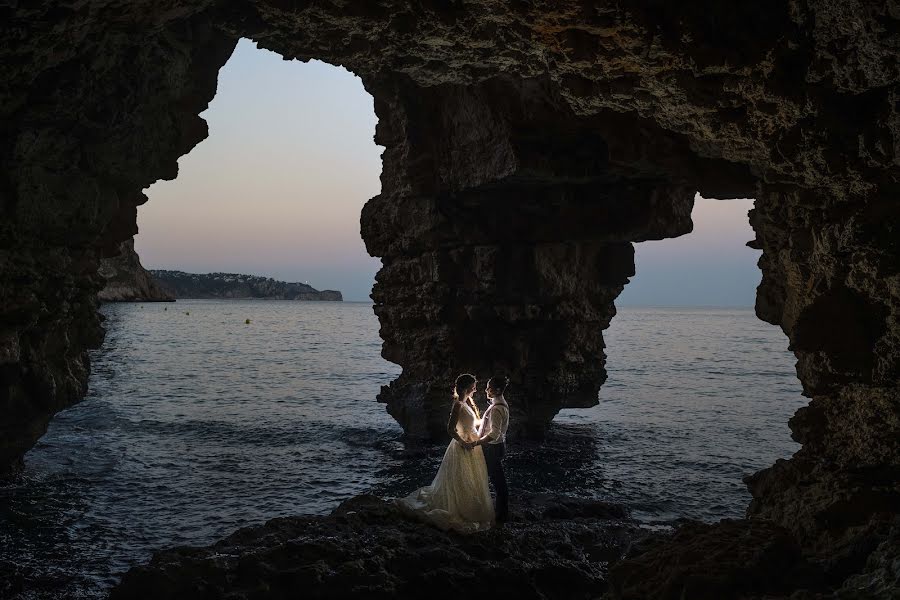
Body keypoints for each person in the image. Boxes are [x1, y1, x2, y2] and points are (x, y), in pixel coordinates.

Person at [396, 374, 494, 532]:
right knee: (461, 477)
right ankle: (460, 506)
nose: (475, 389)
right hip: (463, 445)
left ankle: (469, 504)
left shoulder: (466, 402)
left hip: (472, 444)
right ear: (467, 387)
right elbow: (450, 428)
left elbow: (469, 423)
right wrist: (463, 442)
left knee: (471, 477)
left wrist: (482, 423)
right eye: (473, 386)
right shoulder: (458, 405)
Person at [473, 374, 510, 523]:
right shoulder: (499, 404)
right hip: (497, 447)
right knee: (495, 480)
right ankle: (500, 512)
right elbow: (489, 425)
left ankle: (501, 516)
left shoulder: (496, 409)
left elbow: (494, 433)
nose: (486, 389)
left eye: (490, 387)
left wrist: (477, 443)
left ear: (498, 390)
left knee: (498, 483)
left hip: (492, 449)